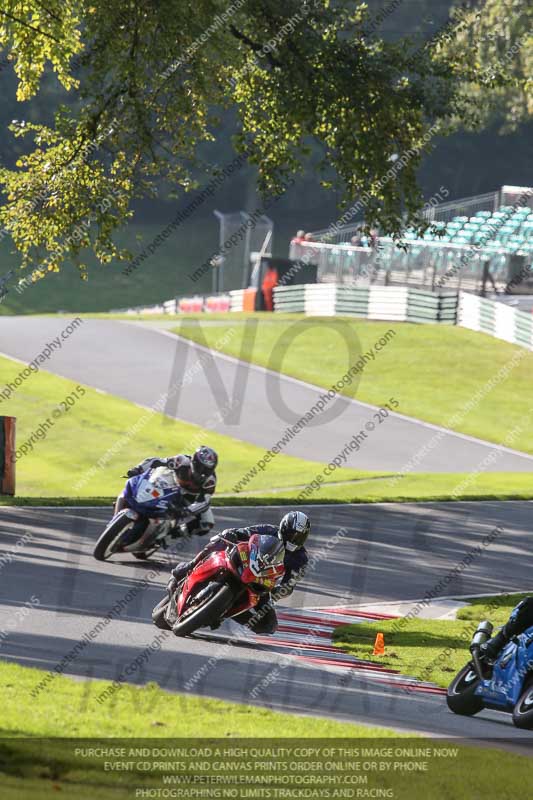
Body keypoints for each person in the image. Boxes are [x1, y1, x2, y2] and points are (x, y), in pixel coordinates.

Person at [168, 510, 311, 634]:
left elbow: (290, 583)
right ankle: (190, 566)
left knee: (269, 626)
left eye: (299, 537)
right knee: (220, 541)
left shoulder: (301, 559)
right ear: (284, 528)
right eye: (292, 534)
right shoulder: (269, 530)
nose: (294, 539)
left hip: (263, 583)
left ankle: (224, 611)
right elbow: (245, 532)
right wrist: (232, 534)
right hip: (244, 563)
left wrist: (280, 590)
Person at [115, 445, 218, 536]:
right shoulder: (181, 461)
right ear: (194, 462)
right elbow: (155, 461)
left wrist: (187, 511)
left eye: (207, 470)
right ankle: (124, 506)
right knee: (139, 486)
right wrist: (137, 469)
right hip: (171, 483)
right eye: (201, 468)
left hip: (189, 498)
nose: (203, 473)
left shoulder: (210, 482)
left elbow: (204, 501)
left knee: (206, 523)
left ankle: (169, 536)